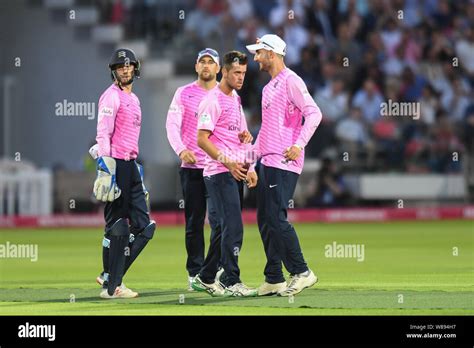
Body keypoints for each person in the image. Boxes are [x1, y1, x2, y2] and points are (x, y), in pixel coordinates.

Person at [246, 34, 322, 296]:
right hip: (268, 161)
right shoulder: (268, 88)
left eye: (259, 53)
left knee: (275, 218)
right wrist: (249, 161)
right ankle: (274, 277)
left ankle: (302, 271)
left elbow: (314, 113)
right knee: (265, 220)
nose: (255, 58)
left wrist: (299, 144)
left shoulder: (291, 80)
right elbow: (266, 132)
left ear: (272, 53)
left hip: (285, 161)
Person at [192, 50, 257, 297]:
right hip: (218, 172)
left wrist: (248, 166)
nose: (241, 77)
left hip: (233, 171)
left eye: (243, 73)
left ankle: (207, 277)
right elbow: (201, 139)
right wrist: (229, 163)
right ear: (225, 72)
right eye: (236, 72)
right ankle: (231, 280)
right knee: (233, 226)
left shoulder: (235, 99)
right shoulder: (213, 100)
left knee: (222, 228)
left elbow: (243, 136)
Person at [93, 48, 155, 299]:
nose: (125, 69)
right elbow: (103, 134)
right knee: (118, 226)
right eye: (120, 67)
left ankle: (110, 276)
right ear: (114, 72)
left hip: (130, 165)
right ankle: (113, 287)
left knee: (144, 227)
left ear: (135, 69)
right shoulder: (110, 97)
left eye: (129, 66)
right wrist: (106, 168)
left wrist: (135, 169)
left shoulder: (135, 99)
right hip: (115, 164)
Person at [166, 48, 223, 291]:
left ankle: (214, 270)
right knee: (194, 222)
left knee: (221, 222)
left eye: (211, 62)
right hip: (192, 167)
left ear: (219, 68)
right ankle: (195, 272)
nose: (207, 65)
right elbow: (171, 125)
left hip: (219, 167)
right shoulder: (183, 93)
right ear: (196, 67)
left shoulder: (226, 94)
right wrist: (181, 150)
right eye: (203, 61)